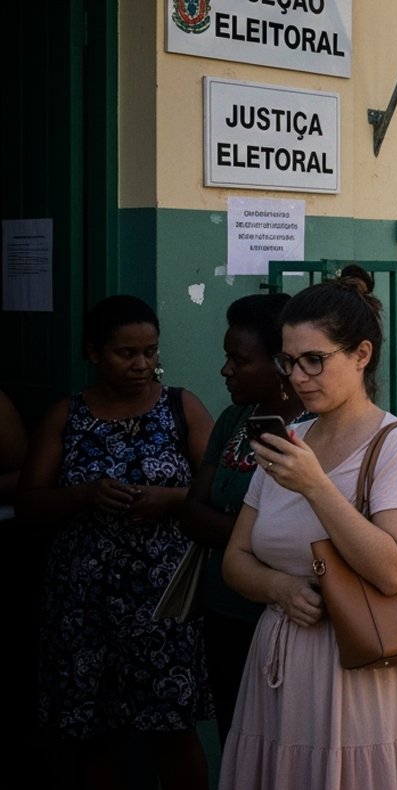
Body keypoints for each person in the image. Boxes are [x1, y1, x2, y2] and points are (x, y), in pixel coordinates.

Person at [219, 266, 397, 789]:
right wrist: (281, 587)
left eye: (314, 360)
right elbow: (234, 560)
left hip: (359, 669)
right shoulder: (288, 439)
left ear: (361, 355)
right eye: (288, 362)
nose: (297, 377)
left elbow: (392, 570)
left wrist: (316, 486)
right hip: (278, 663)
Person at [17, 294, 214, 789]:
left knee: (172, 729)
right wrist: (84, 495)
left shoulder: (180, 407)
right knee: (94, 732)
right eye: (127, 353)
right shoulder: (69, 415)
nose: (142, 364)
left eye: (150, 351)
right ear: (94, 353)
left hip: (163, 603)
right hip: (84, 605)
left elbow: (224, 491)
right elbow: (29, 503)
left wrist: (168, 499)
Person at [178, 293, 306, 747]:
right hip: (221, 611)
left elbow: (304, 536)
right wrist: (255, 541)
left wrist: (247, 539)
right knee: (238, 738)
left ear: (280, 364)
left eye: (239, 360)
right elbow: (192, 512)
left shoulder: (311, 433)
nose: (225, 370)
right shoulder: (235, 418)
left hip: (284, 618)